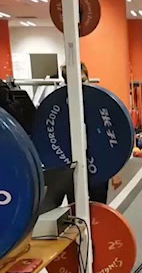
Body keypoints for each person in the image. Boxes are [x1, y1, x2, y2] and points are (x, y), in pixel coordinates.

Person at [43, 61, 123, 212]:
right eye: (74, 82)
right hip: (72, 168)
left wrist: (115, 172)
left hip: (99, 166)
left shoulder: (100, 103)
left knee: (99, 209)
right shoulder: (60, 108)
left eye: (83, 80)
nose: (80, 86)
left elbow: (112, 140)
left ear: (88, 78)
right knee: (76, 211)